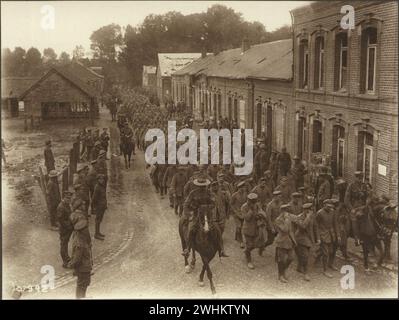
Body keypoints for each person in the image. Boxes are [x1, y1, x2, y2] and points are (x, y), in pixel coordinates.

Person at [183, 178, 228, 258]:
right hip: (196, 215)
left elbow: (214, 203)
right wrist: (189, 214)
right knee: (191, 229)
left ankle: (221, 249)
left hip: (208, 215)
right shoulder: (193, 193)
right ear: (197, 186)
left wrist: (206, 207)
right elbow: (186, 204)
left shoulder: (209, 193)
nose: (202, 188)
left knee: (217, 229)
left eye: (204, 186)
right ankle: (188, 249)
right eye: (200, 186)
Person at [68, 201, 93, 299]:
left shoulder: (81, 238)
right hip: (83, 269)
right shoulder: (80, 242)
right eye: (85, 229)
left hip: (85, 268)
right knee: (81, 288)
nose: (87, 230)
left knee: (83, 287)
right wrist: (71, 264)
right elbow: (77, 258)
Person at [293, 202, 318, 281]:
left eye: (311, 210)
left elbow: (315, 227)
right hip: (300, 238)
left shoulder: (312, 217)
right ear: (305, 210)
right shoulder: (299, 217)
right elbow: (303, 226)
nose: (311, 211)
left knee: (302, 255)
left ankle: (299, 267)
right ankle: (306, 273)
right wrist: (308, 217)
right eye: (309, 210)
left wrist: (318, 238)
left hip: (309, 238)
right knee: (305, 256)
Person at [241, 193, 267, 269]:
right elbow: (246, 218)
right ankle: (249, 261)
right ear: (248, 200)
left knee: (256, 244)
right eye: (251, 201)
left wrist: (260, 215)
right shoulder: (244, 207)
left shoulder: (257, 205)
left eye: (254, 202)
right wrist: (251, 210)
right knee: (249, 245)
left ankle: (246, 251)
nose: (253, 203)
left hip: (256, 228)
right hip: (248, 229)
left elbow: (262, 212)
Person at [315, 199, 340, 278]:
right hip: (323, 235)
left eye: (330, 206)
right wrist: (318, 237)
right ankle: (325, 270)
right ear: (324, 205)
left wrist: (338, 235)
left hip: (332, 235)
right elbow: (316, 226)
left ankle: (330, 264)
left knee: (332, 251)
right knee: (325, 253)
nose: (329, 208)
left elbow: (335, 224)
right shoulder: (319, 213)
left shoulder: (333, 212)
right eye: (328, 206)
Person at [274, 204, 297, 283]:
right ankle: (280, 275)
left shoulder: (288, 217)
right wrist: (287, 219)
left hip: (289, 241)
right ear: (281, 211)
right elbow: (285, 229)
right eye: (285, 211)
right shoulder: (278, 220)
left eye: (287, 211)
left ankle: (283, 270)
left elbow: (297, 219)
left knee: (291, 258)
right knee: (282, 260)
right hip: (281, 241)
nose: (287, 213)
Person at [344, 171, 368, 245]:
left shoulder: (364, 186)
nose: (360, 179)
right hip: (354, 207)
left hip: (363, 207)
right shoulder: (351, 186)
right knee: (354, 219)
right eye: (359, 178)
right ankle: (357, 238)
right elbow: (346, 199)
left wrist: (367, 203)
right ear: (356, 177)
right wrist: (351, 209)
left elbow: (368, 196)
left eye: (361, 178)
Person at [209, 181, 230, 256]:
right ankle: (221, 249)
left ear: (218, 186)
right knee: (217, 231)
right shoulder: (209, 194)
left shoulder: (223, 194)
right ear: (211, 187)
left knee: (222, 229)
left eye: (216, 186)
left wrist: (227, 213)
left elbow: (228, 204)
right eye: (213, 186)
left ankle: (217, 239)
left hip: (222, 215)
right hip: (213, 216)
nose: (215, 187)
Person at [57, 190, 74, 268]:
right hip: (64, 229)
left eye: (70, 198)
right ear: (64, 198)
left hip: (68, 228)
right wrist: (69, 226)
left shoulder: (67, 205)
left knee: (65, 243)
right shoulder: (61, 206)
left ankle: (67, 258)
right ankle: (65, 262)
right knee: (63, 245)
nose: (69, 200)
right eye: (67, 198)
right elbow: (61, 220)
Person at [231, 181, 248, 248]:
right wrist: (235, 212)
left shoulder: (245, 194)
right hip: (236, 213)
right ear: (238, 188)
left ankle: (236, 236)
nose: (243, 189)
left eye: (243, 187)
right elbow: (231, 204)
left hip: (243, 212)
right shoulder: (234, 195)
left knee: (242, 226)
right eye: (241, 187)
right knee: (239, 226)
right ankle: (241, 241)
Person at [92, 174, 107, 240]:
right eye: (100, 179)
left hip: (102, 206)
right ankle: (96, 234)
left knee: (100, 219)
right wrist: (94, 207)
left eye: (103, 179)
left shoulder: (102, 186)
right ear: (98, 180)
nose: (102, 180)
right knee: (97, 220)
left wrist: (105, 205)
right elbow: (94, 198)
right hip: (99, 206)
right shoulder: (97, 187)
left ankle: (98, 232)